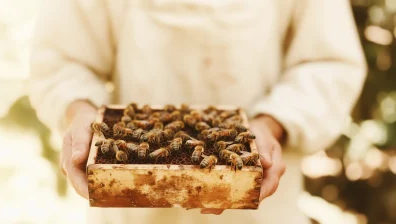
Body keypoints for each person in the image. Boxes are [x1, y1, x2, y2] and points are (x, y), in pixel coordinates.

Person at [29, 0, 366, 223]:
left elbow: (329, 63)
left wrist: (271, 123)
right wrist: (79, 110)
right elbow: (59, 60)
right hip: (129, 211)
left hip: (259, 208)